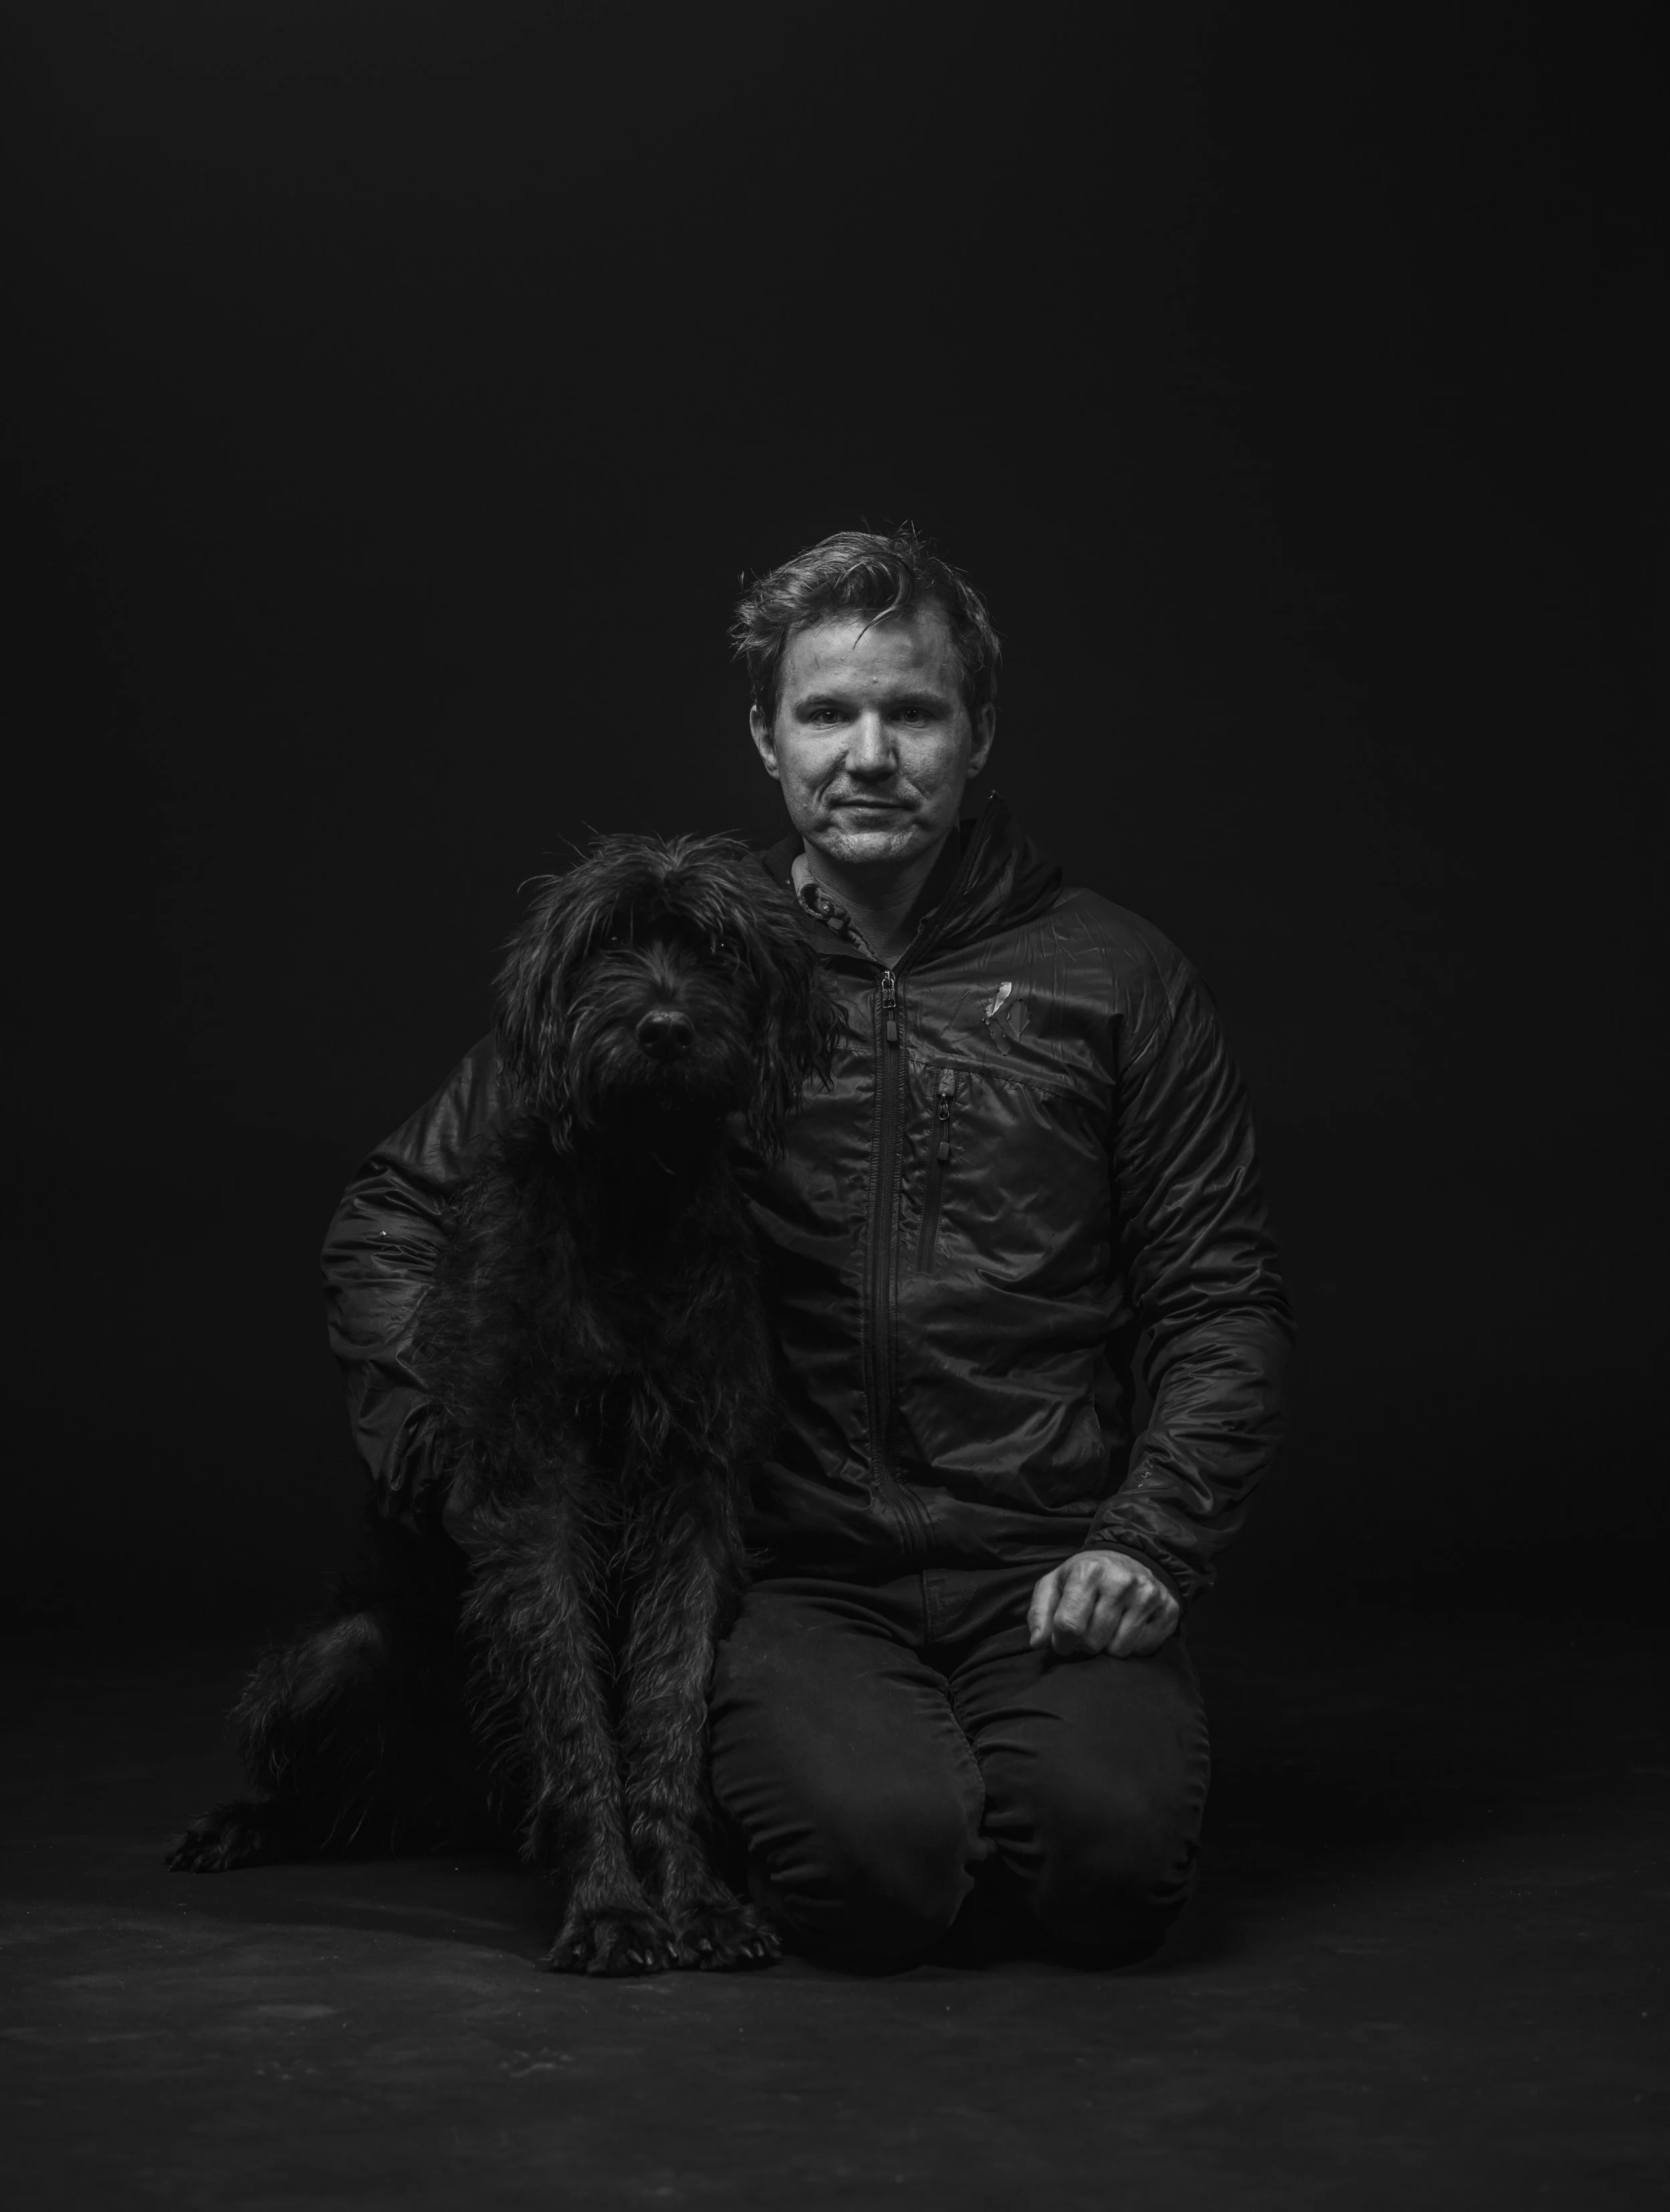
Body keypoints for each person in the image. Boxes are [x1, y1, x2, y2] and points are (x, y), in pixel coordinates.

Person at [321, 528, 1293, 1967]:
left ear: (974, 734)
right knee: (874, 1878)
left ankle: (1031, 1743)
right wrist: (443, 1436)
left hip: (1042, 1543)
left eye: (911, 710)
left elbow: (1219, 1298)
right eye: (826, 712)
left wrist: (1146, 1537)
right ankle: (844, 1768)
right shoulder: (682, 963)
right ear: (766, 740)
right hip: (790, 1566)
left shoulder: (1119, 975)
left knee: (1109, 1870)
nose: (869, 752)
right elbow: (397, 1206)